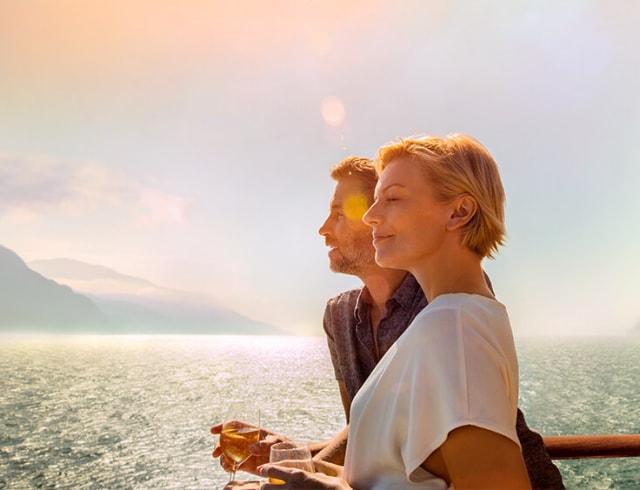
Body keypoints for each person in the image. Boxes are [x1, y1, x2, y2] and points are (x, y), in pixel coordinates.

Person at [256, 134, 540, 488]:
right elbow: (399, 478)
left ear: (459, 212)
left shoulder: (454, 328)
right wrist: (311, 475)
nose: (372, 216)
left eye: (392, 198)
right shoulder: (445, 321)